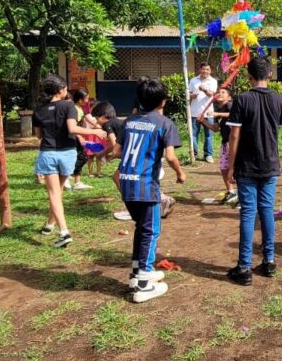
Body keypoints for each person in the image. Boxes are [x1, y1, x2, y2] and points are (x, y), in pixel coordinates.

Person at [112, 77, 186, 303]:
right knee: (151, 231)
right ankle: (143, 284)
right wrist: (180, 173)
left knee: (141, 228)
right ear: (163, 101)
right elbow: (171, 156)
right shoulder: (164, 123)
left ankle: (137, 273)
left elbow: (116, 151)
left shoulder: (129, 121)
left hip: (126, 182)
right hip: (146, 186)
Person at [225, 57, 282, 285]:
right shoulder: (279, 99)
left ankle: (244, 268)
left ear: (248, 75)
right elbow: (276, 129)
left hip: (247, 165)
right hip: (270, 164)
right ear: (270, 74)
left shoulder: (242, 99)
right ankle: (269, 261)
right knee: (267, 212)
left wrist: (231, 166)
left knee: (248, 214)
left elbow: (234, 135)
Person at [33, 74, 99, 248]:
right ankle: (50, 224)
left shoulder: (38, 110)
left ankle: (63, 232)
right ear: (61, 90)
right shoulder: (68, 105)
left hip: (48, 153)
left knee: (54, 193)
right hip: (67, 153)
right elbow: (72, 128)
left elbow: (38, 135)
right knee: (58, 192)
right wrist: (96, 131)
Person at [204, 88, 236, 205]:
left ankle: (243, 195)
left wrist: (217, 114)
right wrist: (203, 121)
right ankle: (231, 192)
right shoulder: (217, 109)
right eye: (219, 92)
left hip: (233, 143)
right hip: (224, 143)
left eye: (223, 92)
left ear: (229, 97)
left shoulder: (230, 105)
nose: (220, 94)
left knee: (235, 168)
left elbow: (233, 114)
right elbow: (216, 129)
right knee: (224, 168)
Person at [188, 63, 219, 163]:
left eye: (207, 69)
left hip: (208, 113)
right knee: (193, 135)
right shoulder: (193, 80)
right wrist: (192, 96)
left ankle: (208, 155)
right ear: (199, 70)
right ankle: (194, 154)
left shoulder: (213, 81)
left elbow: (211, 94)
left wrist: (204, 89)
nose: (205, 71)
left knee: (209, 135)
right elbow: (188, 94)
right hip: (194, 112)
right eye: (203, 69)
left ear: (210, 71)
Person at [67, 88, 93, 191]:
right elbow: (73, 126)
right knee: (82, 157)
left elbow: (88, 119)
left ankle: (77, 182)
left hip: (76, 136)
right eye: (86, 98)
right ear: (80, 100)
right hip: (72, 137)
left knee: (81, 157)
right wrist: (79, 136)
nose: (88, 100)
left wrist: (98, 126)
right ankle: (67, 176)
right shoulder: (74, 109)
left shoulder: (80, 108)